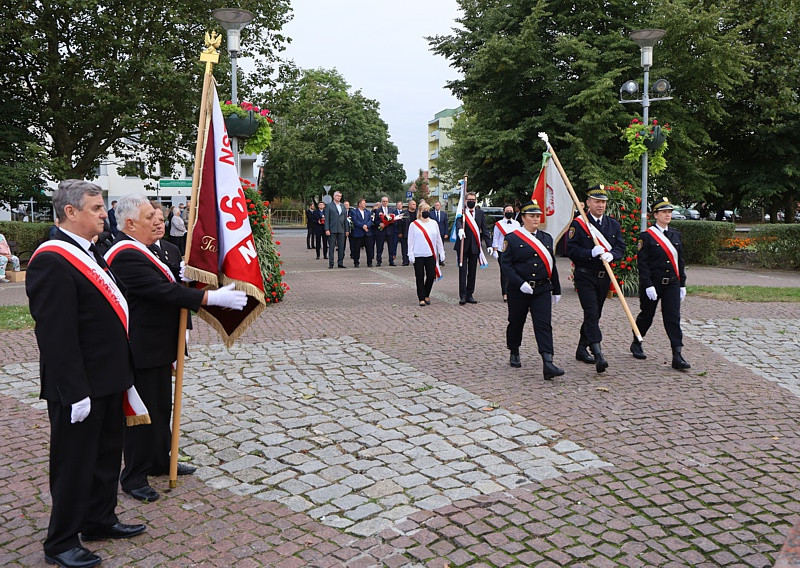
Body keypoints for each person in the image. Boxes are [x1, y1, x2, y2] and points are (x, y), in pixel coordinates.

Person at [26, 180, 146, 568]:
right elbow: (56, 335)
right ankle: (60, 542)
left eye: (103, 207)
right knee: (74, 463)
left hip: (109, 377)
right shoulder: (52, 259)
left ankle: (99, 519)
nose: (103, 214)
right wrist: (73, 391)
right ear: (70, 212)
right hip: (79, 385)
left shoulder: (93, 251)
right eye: (96, 208)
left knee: (107, 456)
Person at [106, 194, 247, 503]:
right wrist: (210, 299)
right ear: (130, 223)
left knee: (160, 408)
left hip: (159, 344)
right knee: (141, 415)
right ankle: (134, 476)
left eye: (158, 216)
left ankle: (159, 460)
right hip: (139, 346)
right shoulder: (124, 253)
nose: (157, 221)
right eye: (149, 218)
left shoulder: (148, 250)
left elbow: (169, 282)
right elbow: (158, 290)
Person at [500, 200, 564, 379]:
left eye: (538, 216)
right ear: (523, 218)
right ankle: (514, 350)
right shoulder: (512, 238)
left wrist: (557, 289)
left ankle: (548, 362)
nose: (536, 219)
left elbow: (552, 265)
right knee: (516, 322)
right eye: (532, 216)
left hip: (542, 289)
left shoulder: (546, 238)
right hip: (519, 289)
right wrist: (519, 283)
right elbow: (506, 265)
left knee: (544, 325)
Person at [566, 185, 625, 373]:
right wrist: (590, 252)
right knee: (591, 312)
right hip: (585, 276)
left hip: (603, 277)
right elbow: (571, 250)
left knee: (595, 313)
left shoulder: (613, 224)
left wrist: (612, 255)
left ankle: (581, 348)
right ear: (588, 202)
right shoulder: (579, 224)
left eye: (603, 202)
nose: (600, 205)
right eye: (597, 201)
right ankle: (598, 352)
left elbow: (620, 247)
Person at [631, 197, 691, 370]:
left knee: (673, 318)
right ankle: (637, 340)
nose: (668, 215)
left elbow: (680, 261)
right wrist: (648, 284)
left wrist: (682, 284)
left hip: (672, 283)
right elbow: (642, 263)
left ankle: (677, 354)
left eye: (669, 212)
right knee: (647, 316)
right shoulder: (646, 237)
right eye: (664, 212)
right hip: (653, 284)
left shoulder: (675, 235)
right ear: (655, 215)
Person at [454, 191, 492, 304]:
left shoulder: (480, 213)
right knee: (463, 271)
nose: (471, 201)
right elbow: (458, 222)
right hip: (462, 245)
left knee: (472, 272)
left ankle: (470, 294)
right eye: (469, 200)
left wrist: (489, 244)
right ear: (465, 201)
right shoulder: (462, 212)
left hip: (475, 246)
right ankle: (462, 295)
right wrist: (460, 229)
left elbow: (484, 229)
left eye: (473, 200)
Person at [407, 202, 445, 306]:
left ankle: (427, 294)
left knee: (431, 275)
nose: (426, 212)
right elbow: (410, 240)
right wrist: (410, 253)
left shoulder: (434, 223)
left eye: (428, 210)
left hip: (430, 253)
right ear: (419, 211)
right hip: (418, 254)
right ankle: (421, 298)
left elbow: (438, 239)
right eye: (424, 210)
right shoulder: (414, 224)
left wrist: (441, 251)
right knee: (419, 276)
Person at [491, 204, 520, 302]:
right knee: (504, 273)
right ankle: (505, 293)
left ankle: (514, 291)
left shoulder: (517, 224)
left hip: (514, 251)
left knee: (515, 271)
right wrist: (495, 250)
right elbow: (495, 237)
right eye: (507, 211)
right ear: (504, 212)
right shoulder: (498, 224)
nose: (509, 212)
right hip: (502, 250)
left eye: (511, 211)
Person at [324, 190, 350, 269]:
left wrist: (347, 230)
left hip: (341, 229)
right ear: (334, 196)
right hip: (332, 229)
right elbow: (327, 218)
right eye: (337, 196)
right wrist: (327, 229)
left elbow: (345, 219)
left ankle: (340, 262)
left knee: (341, 247)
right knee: (331, 247)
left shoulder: (342, 206)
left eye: (340, 196)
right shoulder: (329, 205)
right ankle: (331, 263)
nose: (339, 197)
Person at [373, 196, 399, 266]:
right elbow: (375, 221)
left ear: (388, 202)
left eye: (386, 201)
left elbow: (394, 220)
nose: (385, 202)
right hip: (381, 231)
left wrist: (390, 221)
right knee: (379, 246)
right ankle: (379, 261)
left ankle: (391, 261)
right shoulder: (378, 210)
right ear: (381, 202)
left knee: (391, 246)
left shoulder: (392, 210)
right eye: (384, 201)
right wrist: (380, 223)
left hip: (390, 231)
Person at [350, 198, 374, 267]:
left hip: (367, 233)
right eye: (363, 203)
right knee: (356, 249)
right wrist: (362, 226)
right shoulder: (354, 212)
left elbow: (370, 220)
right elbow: (355, 220)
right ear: (359, 204)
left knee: (369, 249)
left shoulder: (368, 212)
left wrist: (367, 226)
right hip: (358, 233)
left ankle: (369, 262)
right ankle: (356, 262)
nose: (365, 204)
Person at [399, 200, 418, 266]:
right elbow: (399, 223)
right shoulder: (404, 213)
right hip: (406, 232)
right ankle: (405, 261)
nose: (414, 205)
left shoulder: (418, 213)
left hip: (416, 233)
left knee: (415, 247)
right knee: (405, 247)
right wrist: (400, 232)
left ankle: (415, 260)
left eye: (415, 204)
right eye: (413, 204)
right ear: (409, 205)